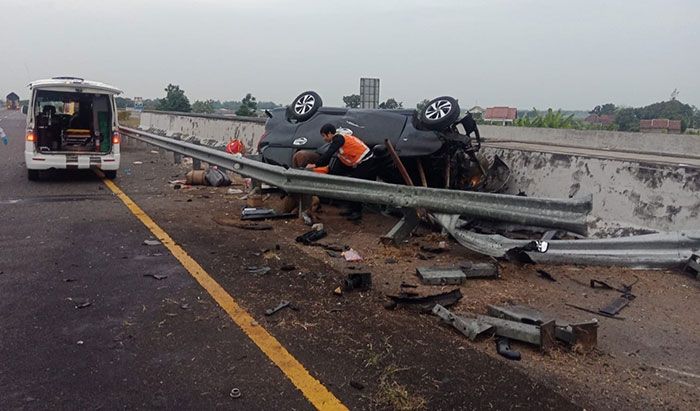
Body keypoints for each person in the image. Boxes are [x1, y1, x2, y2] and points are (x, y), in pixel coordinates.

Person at [306, 123, 376, 221]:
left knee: (356, 184)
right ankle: (351, 209)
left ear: (330, 133)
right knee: (340, 176)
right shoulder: (340, 139)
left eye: (324, 136)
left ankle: (357, 212)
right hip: (358, 160)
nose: (324, 139)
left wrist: (315, 165)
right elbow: (337, 164)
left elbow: (329, 153)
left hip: (365, 160)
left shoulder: (338, 139)